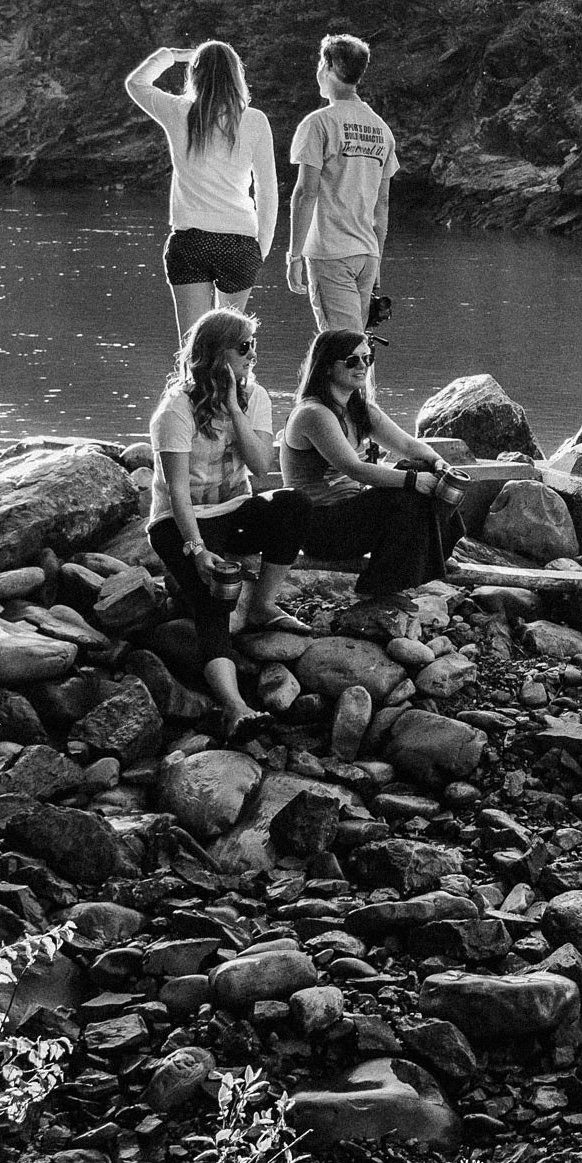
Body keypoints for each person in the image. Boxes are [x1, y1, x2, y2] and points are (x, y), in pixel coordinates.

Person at [146, 309, 308, 731]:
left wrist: (235, 409)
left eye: (253, 344)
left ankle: (262, 606)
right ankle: (235, 706)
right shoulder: (175, 411)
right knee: (212, 603)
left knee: (293, 504)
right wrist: (196, 550)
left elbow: (260, 467)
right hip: (180, 522)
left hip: (234, 510)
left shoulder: (256, 398)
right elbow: (178, 491)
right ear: (215, 355)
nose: (253, 354)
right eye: (243, 347)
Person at [281, 328, 464, 601]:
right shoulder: (314, 414)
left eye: (367, 358)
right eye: (352, 361)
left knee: (423, 469)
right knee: (406, 494)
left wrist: (439, 464)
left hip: (350, 515)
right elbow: (353, 468)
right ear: (328, 367)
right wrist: (413, 481)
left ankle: (436, 554)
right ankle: (379, 589)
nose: (363, 366)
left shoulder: (359, 409)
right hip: (319, 527)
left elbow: (408, 445)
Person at [124, 41, 279, 339]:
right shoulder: (255, 120)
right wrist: (262, 247)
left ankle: (190, 386)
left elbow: (136, 83)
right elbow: (267, 189)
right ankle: (232, 387)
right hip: (240, 241)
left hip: (190, 241)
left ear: (195, 75)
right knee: (231, 344)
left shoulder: (177, 110)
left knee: (192, 344)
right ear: (236, 75)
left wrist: (172, 56)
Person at [286, 34, 396, 340]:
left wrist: (294, 257)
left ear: (329, 67)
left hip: (331, 253)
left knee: (342, 347)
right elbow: (382, 206)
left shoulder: (319, 123)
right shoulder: (381, 129)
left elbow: (305, 194)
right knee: (357, 344)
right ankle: (362, 391)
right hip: (367, 253)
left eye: (322, 63)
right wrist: (376, 263)